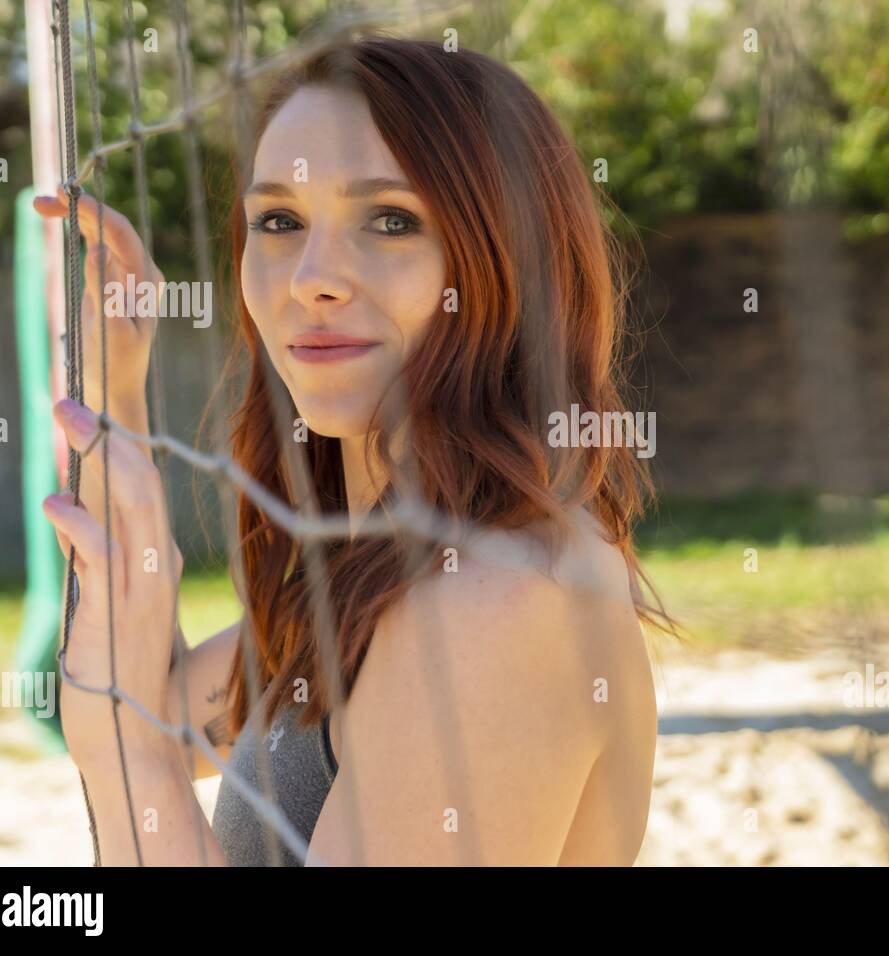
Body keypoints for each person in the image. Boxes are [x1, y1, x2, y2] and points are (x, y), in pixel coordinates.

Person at [34, 34, 677, 866]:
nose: (310, 276)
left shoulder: (501, 594)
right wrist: (117, 396)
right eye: (279, 220)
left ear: (512, 264)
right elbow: (157, 700)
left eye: (389, 219)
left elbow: (139, 732)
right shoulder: (379, 562)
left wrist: (130, 755)